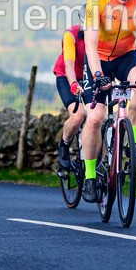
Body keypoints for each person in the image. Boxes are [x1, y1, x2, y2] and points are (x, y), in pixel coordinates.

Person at [80, 0, 136, 202]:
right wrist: (98, 75)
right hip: (98, 60)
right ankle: (90, 176)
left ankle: (133, 143)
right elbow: (90, 44)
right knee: (95, 118)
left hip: (126, 57)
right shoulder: (97, 1)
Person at [53, 22, 87, 169]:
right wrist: (73, 83)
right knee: (78, 115)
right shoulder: (71, 34)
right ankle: (64, 145)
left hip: (88, 78)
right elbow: (69, 65)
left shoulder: (103, 35)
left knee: (98, 117)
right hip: (67, 77)